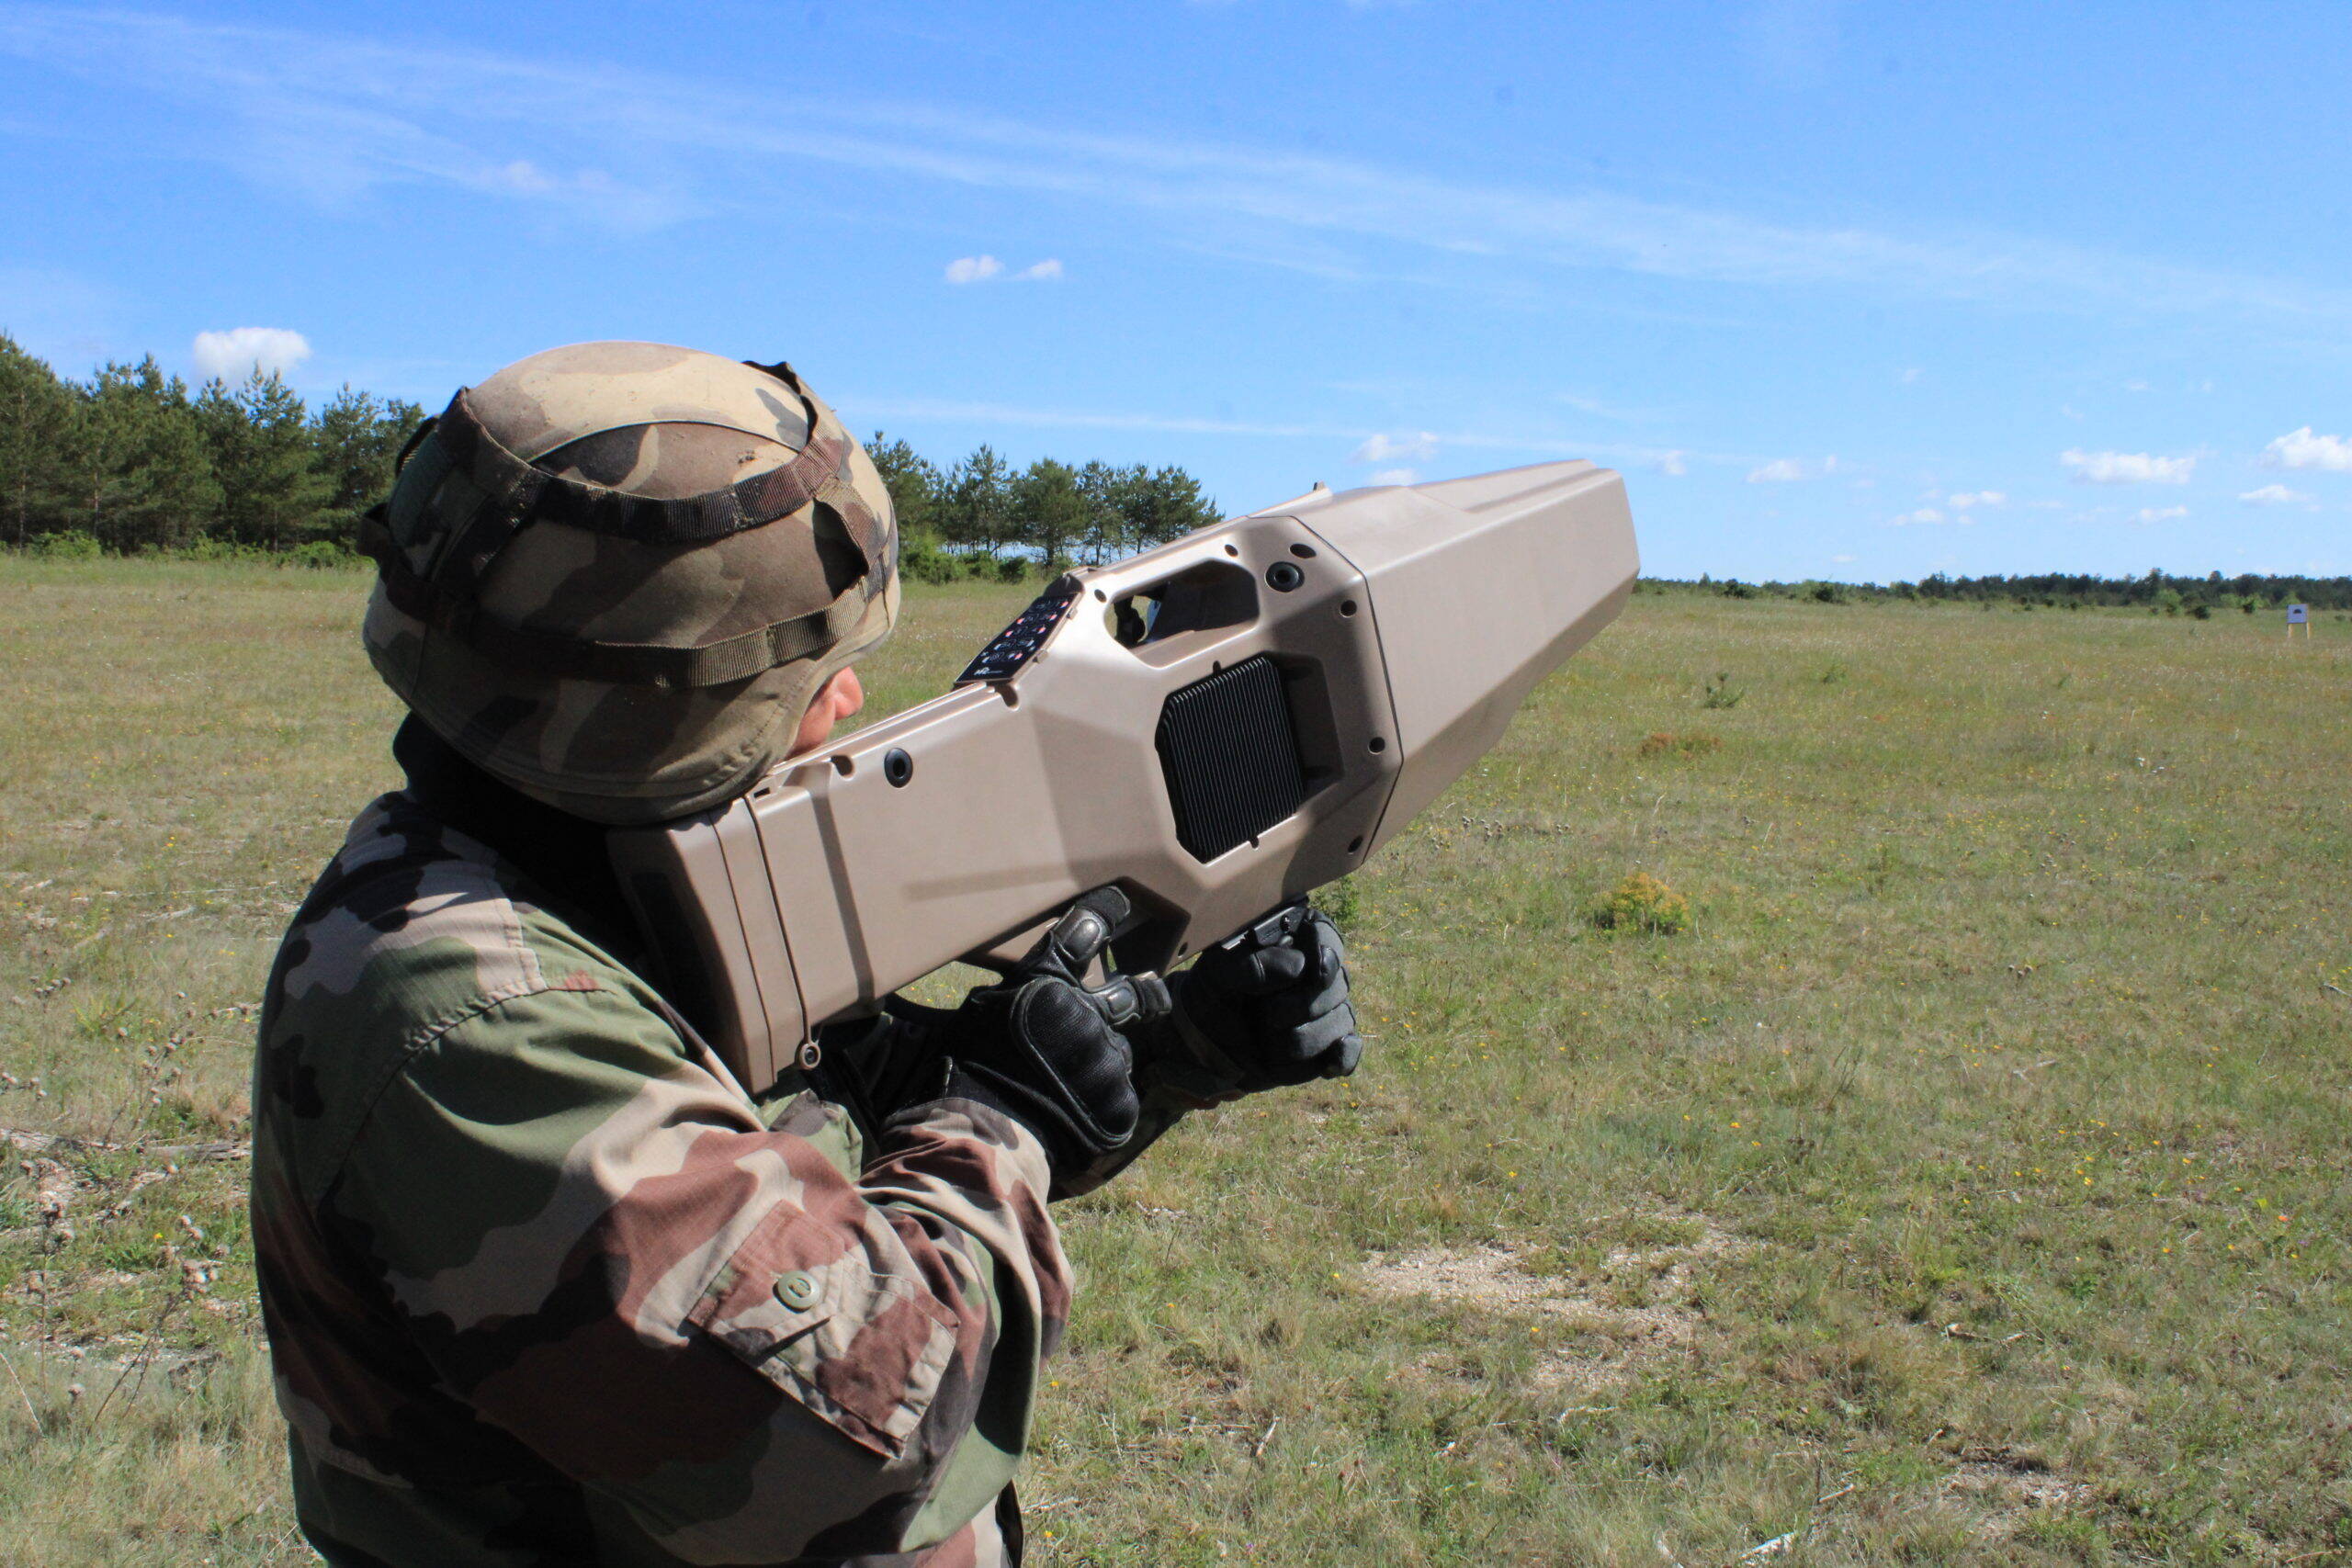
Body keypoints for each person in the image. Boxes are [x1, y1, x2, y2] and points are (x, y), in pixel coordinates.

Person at [249, 343, 1362, 1567]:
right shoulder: (479, 1017)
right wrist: (1003, 1126)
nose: (840, 706)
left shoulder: (586, 883)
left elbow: (825, 1133)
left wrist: (1170, 1047)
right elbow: (875, 1435)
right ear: (650, 709)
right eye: (809, 672)